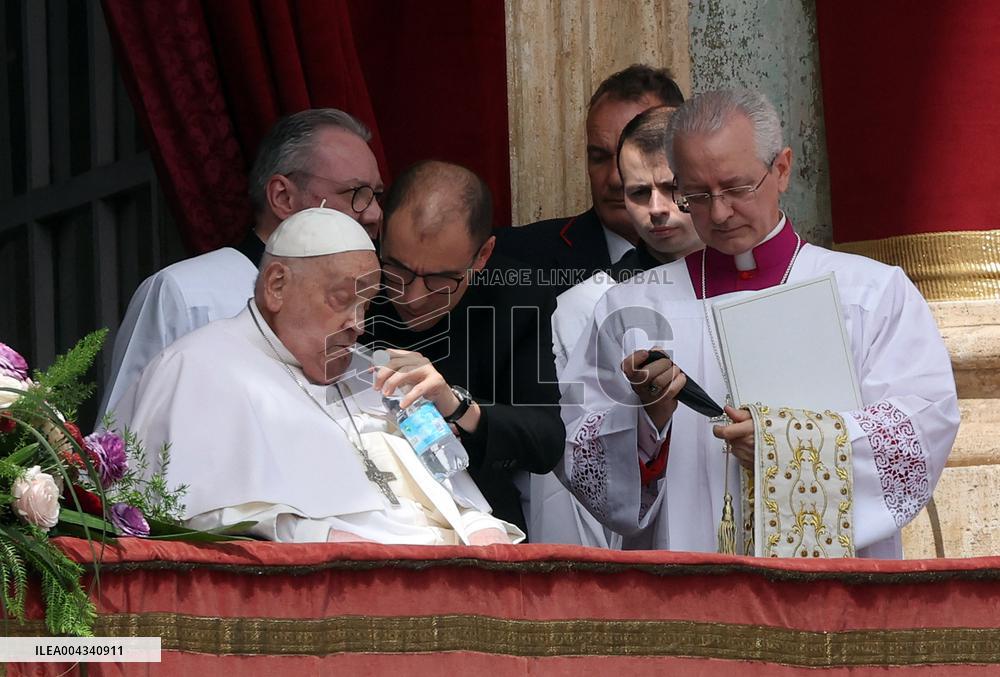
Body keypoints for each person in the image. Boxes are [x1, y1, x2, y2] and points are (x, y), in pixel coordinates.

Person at [559, 89, 959, 557]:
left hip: (827, 591)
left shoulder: (871, 292)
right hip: (688, 583)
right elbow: (583, 460)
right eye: (697, 195)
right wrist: (648, 417)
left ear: (782, 168)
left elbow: (918, 432)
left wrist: (785, 449)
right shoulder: (630, 309)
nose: (720, 212)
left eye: (735, 188)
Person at [116, 208, 520, 545]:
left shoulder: (374, 372)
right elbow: (202, 516)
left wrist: (478, 526)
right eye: (344, 301)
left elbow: (454, 489)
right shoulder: (195, 368)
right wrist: (320, 536)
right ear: (276, 285)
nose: (359, 325)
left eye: (365, 304)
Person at [99, 108, 384, 420]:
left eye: (377, 196)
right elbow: (121, 448)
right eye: (356, 193)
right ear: (283, 197)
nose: (374, 215)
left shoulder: (366, 301)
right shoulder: (185, 293)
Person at [363, 160, 564, 534]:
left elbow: (546, 441)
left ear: (482, 256)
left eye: (441, 280)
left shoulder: (517, 300)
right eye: (396, 269)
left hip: (474, 521)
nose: (412, 296)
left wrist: (457, 406)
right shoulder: (354, 279)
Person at [533, 105, 702, 547]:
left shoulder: (760, 285)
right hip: (649, 543)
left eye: (672, 188)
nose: (657, 210)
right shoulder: (589, 306)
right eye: (639, 193)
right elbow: (578, 459)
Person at [494, 64, 685, 294]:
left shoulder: (727, 253)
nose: (616, 178)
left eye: (641, 157)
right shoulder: (517, 257)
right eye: (599, 157)